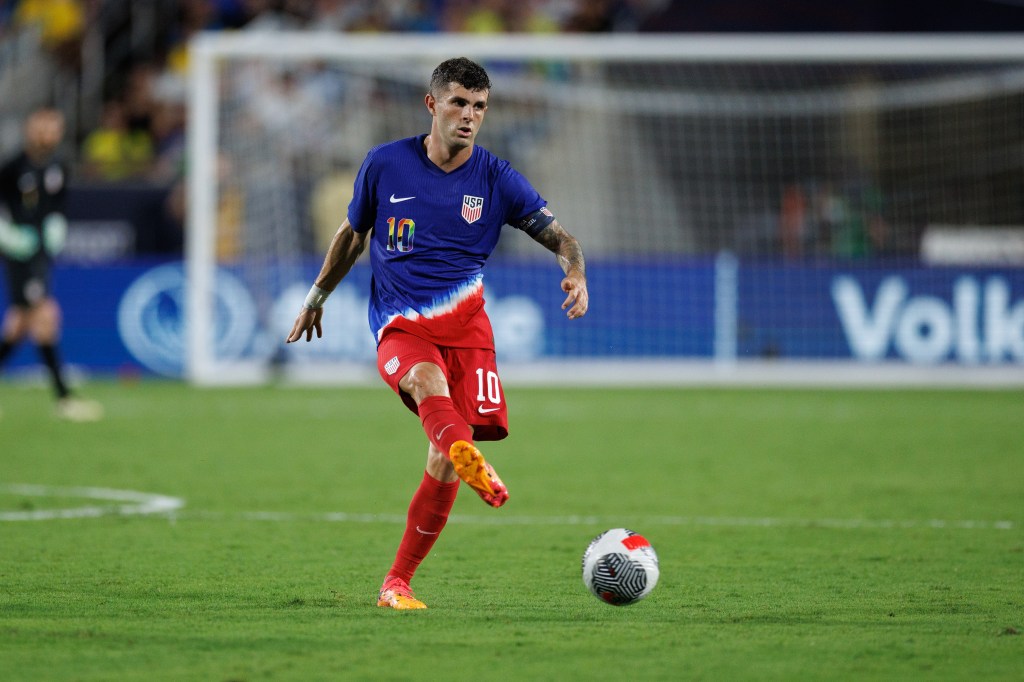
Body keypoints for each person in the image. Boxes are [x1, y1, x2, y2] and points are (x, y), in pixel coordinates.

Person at [286, 57, 589, 610]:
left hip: (469, 332)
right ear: (432, 104)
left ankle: (396, 583)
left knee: (442, 457)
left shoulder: (497, 179)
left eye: (479, 107)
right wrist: (316, 297)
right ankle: (471, 459)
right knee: (426, 383)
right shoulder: (384, 164)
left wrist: (575, 270)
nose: (469, 116)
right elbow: (353, 236)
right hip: (401, 325)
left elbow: (561, 236)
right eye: (458, 103)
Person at [0, 108, 103, 422]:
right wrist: (7, 234)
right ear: (31, 129)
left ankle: (64, 398)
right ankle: (64, 398)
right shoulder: (13, 166)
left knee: (18, 325)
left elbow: (57, 205)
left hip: (41, 253)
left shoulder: (58, 166)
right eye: (43, 127)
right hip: (20, 253)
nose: (48, 134)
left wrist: (56, 224)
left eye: (54, 128)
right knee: (46, 315)